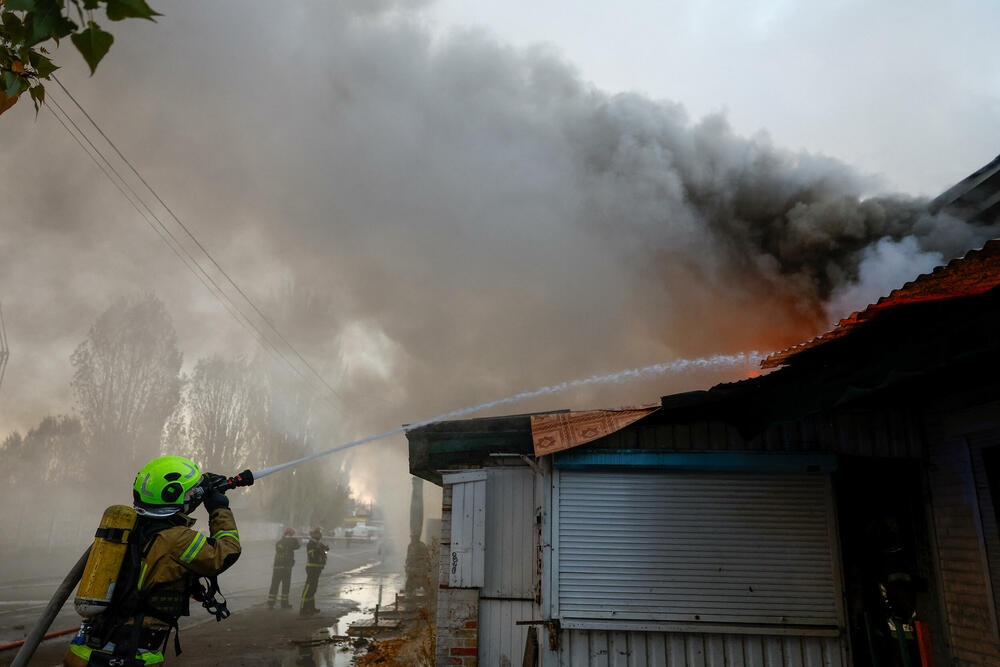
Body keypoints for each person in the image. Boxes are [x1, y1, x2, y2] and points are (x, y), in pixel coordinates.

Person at [65, 456, 242, 666]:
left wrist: (202, 483)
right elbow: (227, 552)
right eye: (191, 491)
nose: (195, 495)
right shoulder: (177, 539)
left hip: (96, 645)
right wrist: (219, 509)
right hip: (128, 653)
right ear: (173, 495)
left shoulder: (133, 526)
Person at [267, 527, 300, 609]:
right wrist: (291, 540)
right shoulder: (284, 542)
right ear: (290, 534)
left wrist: (291, 540)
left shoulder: (281, 542)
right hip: (284, 567)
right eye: (292, 534)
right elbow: (296, 546)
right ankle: (279, 603)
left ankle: (274, 603)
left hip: (281, 567)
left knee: (278, 585)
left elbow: (297, 546)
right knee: (283, 585)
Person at [299, 526, 328, 616]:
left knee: (313, 589)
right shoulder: (311, 544)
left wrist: (324, 548)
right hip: (312, 568)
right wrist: (319, 549)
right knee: (308, 588)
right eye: (319, 533)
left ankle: (311, 608)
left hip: (317, 569)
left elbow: (325, 550)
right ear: (314, 534)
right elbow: (312, 555)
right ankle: (303, 609)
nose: (320, 535)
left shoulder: (318, 543)